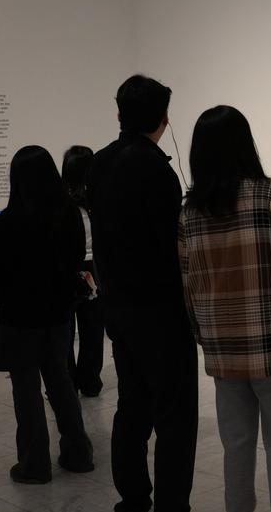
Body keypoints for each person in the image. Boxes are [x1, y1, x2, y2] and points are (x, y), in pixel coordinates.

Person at [179, 106, 271, 512]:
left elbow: (188, 285)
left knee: (235, 445)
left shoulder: (189, 214)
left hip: (223, 348)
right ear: (245, 144)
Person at [87, 75, 198, 512]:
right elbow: (169, 246)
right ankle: (172, 505)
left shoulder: (99, 163)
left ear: (119, 114)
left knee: (131, 406)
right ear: (164, 117)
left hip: (118, 306)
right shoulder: (156, 170)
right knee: (174, 415)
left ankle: (133, 499)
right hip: (160, 310)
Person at [0, 146, 94, 484]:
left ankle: (35, 464)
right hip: (58, 314)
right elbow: (73, 259)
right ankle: (78, 453)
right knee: (61, 383)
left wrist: (6, 278)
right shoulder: (69, 214)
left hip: (20, 317)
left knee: (26, 391)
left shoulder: (11, 220)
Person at [62, 145, 104, 397]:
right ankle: (89, 380)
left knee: (66, 330)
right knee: (92, 329)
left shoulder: (57, 201)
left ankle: (67, 381)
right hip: (92, 268)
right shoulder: (96, 199)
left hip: (65, 268)